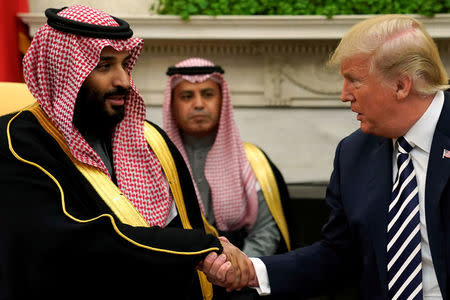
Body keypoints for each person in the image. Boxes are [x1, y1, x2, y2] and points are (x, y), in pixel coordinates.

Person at [0, 6, 251, 299]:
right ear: (64, 71)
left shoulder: (151, 141)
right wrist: (201, 248)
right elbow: (79, 241)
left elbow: (187, 225)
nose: (123, 81)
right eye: (104, 65)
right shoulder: (17, 143)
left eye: (124, 63)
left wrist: (220, 261)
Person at [200, 14, 450, 299]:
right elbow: (338, 255)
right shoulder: (354, 154)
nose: (344, 95)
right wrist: (251, 270)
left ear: (401, 86)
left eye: (354, 81)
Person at [163, 58, 292, 299]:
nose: (199, 104)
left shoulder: (253, 161)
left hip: (241, 279)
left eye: (208, 94)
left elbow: (266, 230)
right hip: (177, 277)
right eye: (187, 96)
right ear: (172, 104)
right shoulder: (154, 162)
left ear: (222, 101)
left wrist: (236, 270)